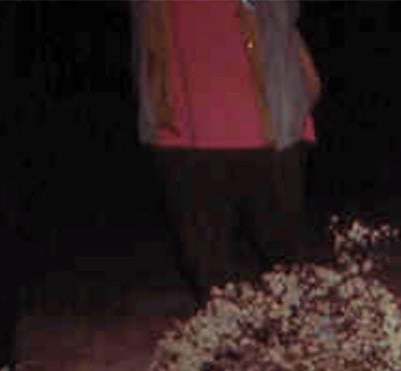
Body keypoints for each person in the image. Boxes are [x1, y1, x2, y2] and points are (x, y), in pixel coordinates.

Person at [131, 0, 323, 307]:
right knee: (209, 278)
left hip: (268, 122)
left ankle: (297, 341)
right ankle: (227, 343)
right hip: (180, 125)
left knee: (285, 270)